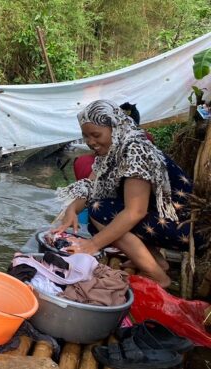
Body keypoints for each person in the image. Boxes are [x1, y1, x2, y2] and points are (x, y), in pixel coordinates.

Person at [54, 100, 204, 288]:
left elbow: (135, 213)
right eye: (86, 137)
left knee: (101, 212)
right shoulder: (113, 150)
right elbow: (91, 186)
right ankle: (156, 261)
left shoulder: (135, 150)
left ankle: (158, 277)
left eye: (96, 135)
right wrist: (72, 210)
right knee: (102, 207)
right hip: (171, 222)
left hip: (190, 228)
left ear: (115, 128)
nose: (91, 142)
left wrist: (92, 245)